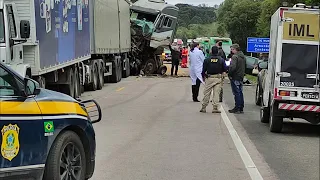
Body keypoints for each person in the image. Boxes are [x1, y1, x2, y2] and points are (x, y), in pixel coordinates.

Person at [200, 46, 227, 113]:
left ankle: (203, 107)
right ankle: (215, 108)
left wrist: (203, 77)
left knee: (207, 93)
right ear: (218, 51)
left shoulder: (207, 59)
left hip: (209, 78)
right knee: (216, 94)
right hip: (218, 78)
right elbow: (225, 69)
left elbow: (203, 70)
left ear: (211, 51)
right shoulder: (221, 60)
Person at [228, 44, 246, 114]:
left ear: (235, 49)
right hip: (241, 76)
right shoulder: (243, 56)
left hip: (235, 76)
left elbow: (233, 67)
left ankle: (237, 107)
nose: (231, 51)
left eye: (232, 49)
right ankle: (241, 107)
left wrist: (229, 73)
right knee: (240, 92)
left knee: (236, 93)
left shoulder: (235, 57)